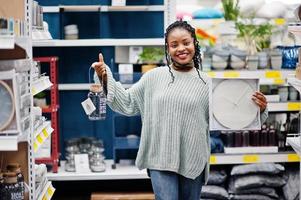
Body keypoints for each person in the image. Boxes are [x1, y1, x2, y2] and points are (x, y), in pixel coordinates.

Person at [92, 21, 268, 200]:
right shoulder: (154, 77)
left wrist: (258, 109)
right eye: (174, 45)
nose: (181, 48)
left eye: (186, 42)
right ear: (167, 49)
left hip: (193, 158)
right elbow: (128, 102)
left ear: (194, 43)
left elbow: (230, 116)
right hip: (159, 157)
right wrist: (105, 77)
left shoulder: (208, 83)